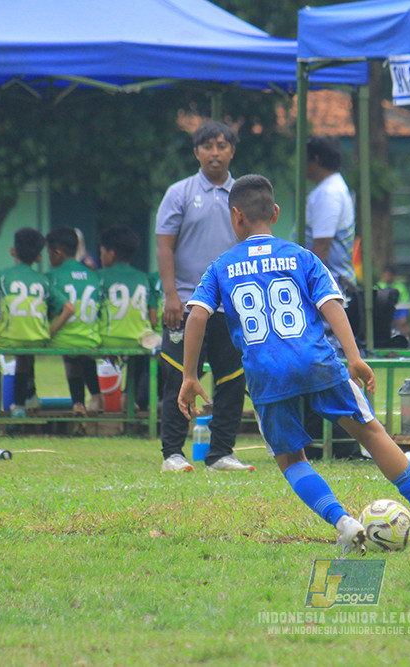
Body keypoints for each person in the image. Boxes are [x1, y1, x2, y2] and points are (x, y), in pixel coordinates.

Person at [178, 174, 410, 553]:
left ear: (236, 216)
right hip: (316, 360)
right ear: (276, 213)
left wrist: (188, 375)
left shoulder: (221, 266)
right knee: (369, 432)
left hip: (266, 373)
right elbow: (330, 303)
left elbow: (197, 316)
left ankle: (343, 521)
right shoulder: (302, 256)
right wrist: (354, 356)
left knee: (290, 457)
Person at [155, 121, 250, 473]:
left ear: (232, 151)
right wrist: (170, 296)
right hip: (186, 302)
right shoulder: (179, 193)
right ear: (196, 152)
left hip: (232, 305)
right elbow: (164, 247)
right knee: (179, 375)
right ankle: (173, 454)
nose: (215, 152)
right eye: (207, 146)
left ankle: (221, 452)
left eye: (222, 146)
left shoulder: (242, 194)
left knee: (232, 378)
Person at [0, 228, 74, 419]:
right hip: (36, 339)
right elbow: (68, 308)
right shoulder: (43, 280)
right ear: (38, 257)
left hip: (8, 338)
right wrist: (49, 332)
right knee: (24, 356)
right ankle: (19, 406)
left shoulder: (2, 275)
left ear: (13, 251)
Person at [46, 226, 103, 421]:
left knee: (68, 351)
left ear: (57, 252)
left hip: (62, 339)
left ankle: (28, 398)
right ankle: (95, 396)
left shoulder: (52, 277)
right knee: (82, 350)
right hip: (91, 338)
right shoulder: (94, 275)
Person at [98, 225, 157, 410]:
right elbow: (153, 319)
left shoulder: (99, 276)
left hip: (107, 340)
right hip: (138, 341)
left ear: (111, 254)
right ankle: (128, 397)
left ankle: (93, 396)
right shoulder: (144, 278)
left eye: (102, 252)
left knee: (80, 356)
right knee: (140, 351)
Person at [305, 135, 356, 287]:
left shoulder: (328, 193)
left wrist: (306, 286)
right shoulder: (331, 188)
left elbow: (322, 245)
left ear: (316, 159)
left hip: (328, 288)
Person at [375, 265, 410, 339]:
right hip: (382, 315)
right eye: (385, 274)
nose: (387, 277)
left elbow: (405, 303)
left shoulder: (401, 287)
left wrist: (403, 317)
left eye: (389, 275)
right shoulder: (377, 286)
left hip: (397, 314)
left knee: (406, 328)